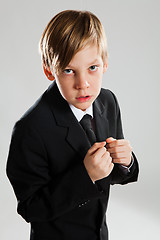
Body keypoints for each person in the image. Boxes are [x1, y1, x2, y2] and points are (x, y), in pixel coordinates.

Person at [6, 10, 139, 240]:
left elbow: (112, 175)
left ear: (105, 63)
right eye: (69, 71)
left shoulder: (108, 101)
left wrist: (127, 162)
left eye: (92, 68)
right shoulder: (30, 129)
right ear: (50, 70)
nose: (83, 84)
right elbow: (30, 207)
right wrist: (85, 175)